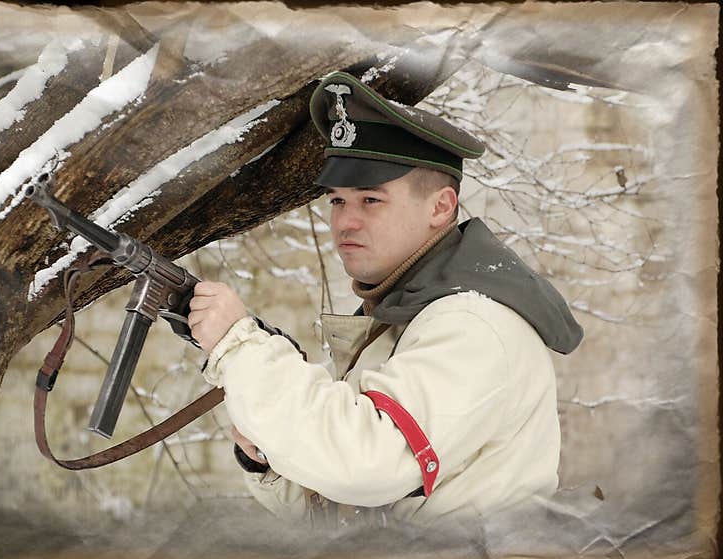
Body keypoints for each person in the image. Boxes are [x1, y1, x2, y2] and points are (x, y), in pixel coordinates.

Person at [186, 71, 583, 528]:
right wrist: (267, 457)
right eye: (337, 201)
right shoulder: (408, 313)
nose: (344, 223)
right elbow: (345, 512)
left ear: (441, 206)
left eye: (370, 200)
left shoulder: (473, 324)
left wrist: (241, 347)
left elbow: (364, 465)